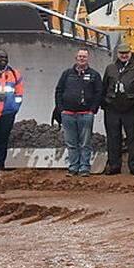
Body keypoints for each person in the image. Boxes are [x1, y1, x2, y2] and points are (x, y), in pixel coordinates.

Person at [54, 48, 103, 177]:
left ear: (88, 58)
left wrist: (93, 110)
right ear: (76, 58)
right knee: (71, 142)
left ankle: (84, 167)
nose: (82, 59)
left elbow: (99, 93)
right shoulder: (67, 74)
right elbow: (58, 91)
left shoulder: (94, 75)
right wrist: (61, 109)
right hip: (68, 114)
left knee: (85, 142)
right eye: (80, 56)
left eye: (84, 57)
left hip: (86, 114)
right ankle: (73, 166)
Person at [101, 43, 134, 176]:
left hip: (132, 109)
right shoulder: (110, 68)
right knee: (113, 138)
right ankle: (114, 166)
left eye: (126, 53)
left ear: (130, 53)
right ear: (118, 54)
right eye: (121, 53)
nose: (124, 55)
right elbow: (105, 86)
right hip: (112, 109)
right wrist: (105, 103)